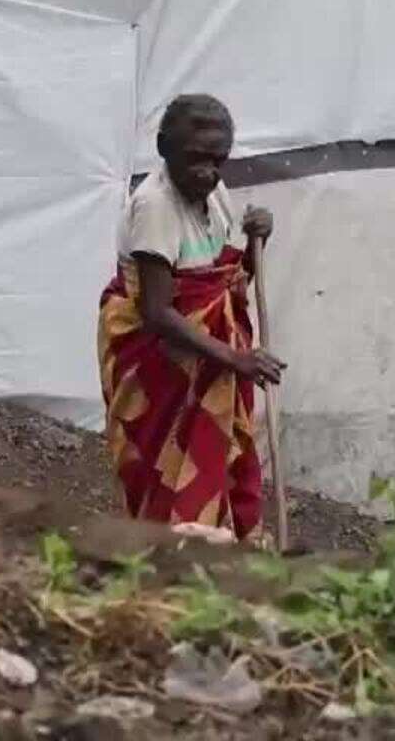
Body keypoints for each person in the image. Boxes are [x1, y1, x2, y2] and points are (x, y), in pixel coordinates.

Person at [97, 94, 284, 541]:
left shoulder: (213, 191)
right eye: (196, 158)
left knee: (218, 459)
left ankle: (224, 553)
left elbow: (226, 279)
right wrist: (234, 359)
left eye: (218, 160)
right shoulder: (156, 206)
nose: (208, 171)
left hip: (206, 356)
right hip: (160, 363)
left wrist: (261, 238)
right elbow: (157, 312)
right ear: (164, 148)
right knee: (166, 467)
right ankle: (171, 564)